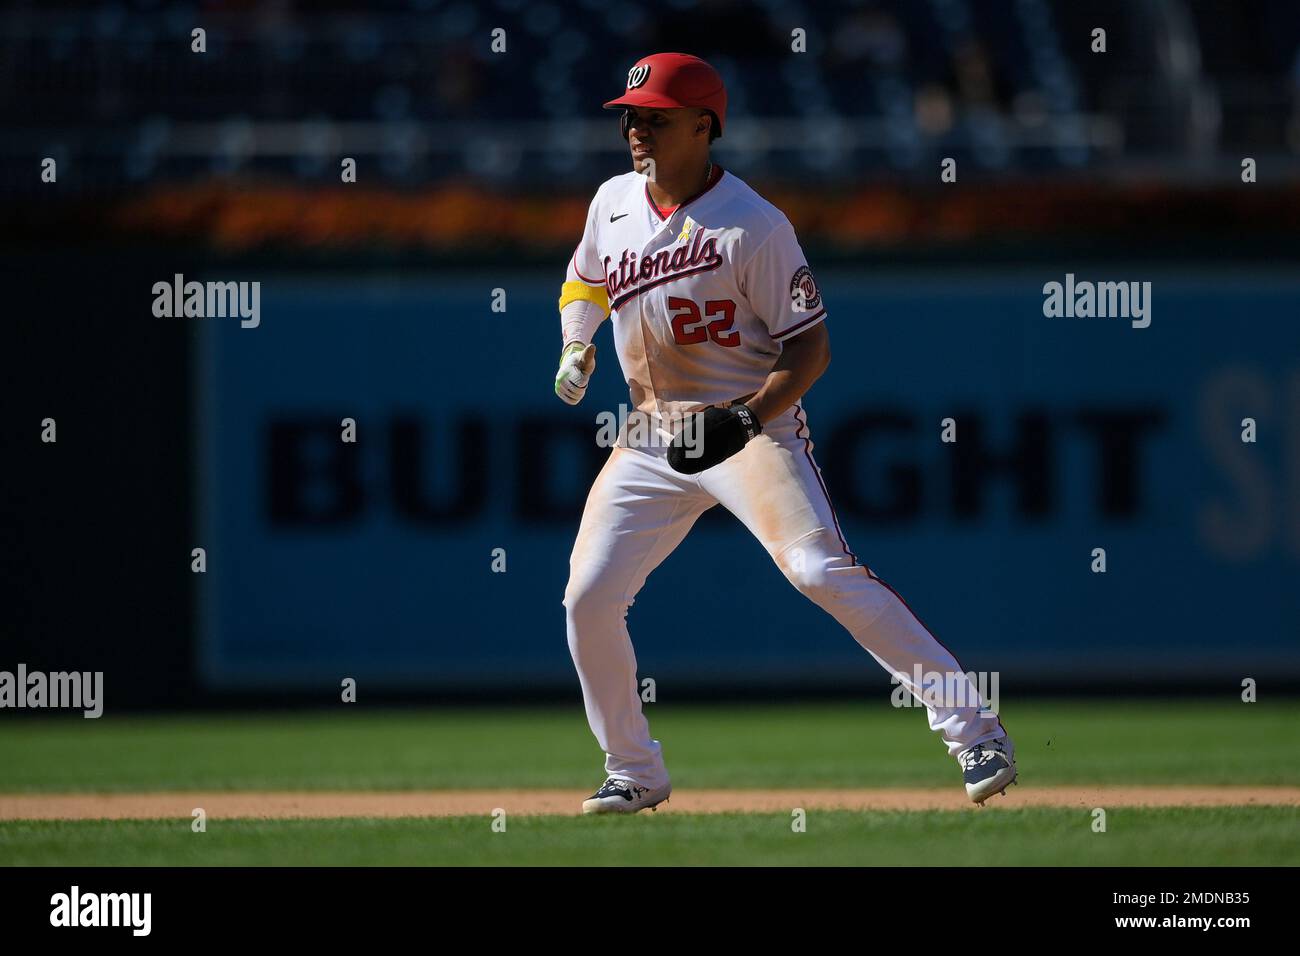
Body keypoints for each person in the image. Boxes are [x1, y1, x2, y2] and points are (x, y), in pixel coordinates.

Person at [554, 53, 1016, 814]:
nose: (636, 129)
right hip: (648, 436)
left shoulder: (755, 225)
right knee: (587, 598)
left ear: (704, 126)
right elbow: (586, 280)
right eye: (630, 116)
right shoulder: (612, 202)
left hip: (748, 427)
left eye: (655, 117)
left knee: (815, 569)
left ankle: (974, 729)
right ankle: (633, 767)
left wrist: (742, 421)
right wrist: (577, 342)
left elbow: (811, 348)